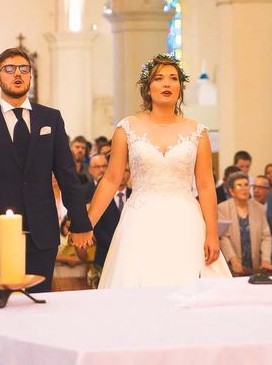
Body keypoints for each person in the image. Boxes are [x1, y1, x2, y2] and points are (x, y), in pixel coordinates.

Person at [87, 53, 231, 288]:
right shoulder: (127, 128)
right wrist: (86, 223)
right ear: (148, 88)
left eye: (173, 78)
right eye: (159, 78)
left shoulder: (197, 132)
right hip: (141, 220)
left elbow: (205, 186)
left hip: (185, 221)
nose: (167, 83)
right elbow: (112, 179)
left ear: (180, 88)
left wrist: (212, 234)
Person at [0, 48, 92, 293]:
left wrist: (80, 222)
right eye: (9, 69)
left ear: (30, 76)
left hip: (41, 233)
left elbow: (67, 176)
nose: (18, 74)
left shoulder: (50, 119)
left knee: (38, 306)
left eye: (24, 69)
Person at [218, 172, 272, 275]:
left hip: (255, 266)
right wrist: (233, 260)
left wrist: (266, 259)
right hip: (232, 266)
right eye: (239, 185)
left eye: (246, 184)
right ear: (231, 191)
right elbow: (223, 237)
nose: (244, 188)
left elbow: (266, 236)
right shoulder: (222, 208)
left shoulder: (259, 208)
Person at [93, 165, 131, 269]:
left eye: (126, 170)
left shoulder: (134, 195)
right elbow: (98, 228)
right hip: (105, 254)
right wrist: (116, 246)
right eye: (121, 170)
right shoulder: (102, 196)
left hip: (130, 254)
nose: (123, 174)